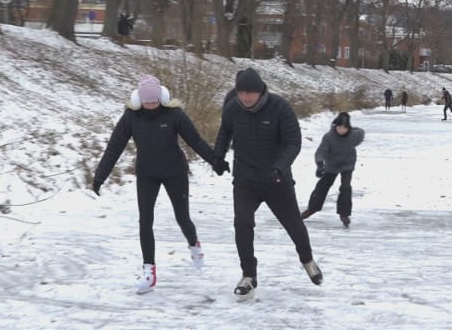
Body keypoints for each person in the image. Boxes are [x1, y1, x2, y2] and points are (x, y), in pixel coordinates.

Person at [92, 75, 217, 295]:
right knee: (145, 220)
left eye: (154, 101)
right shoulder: (131, 117)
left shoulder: (174, 114)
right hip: (147, 174)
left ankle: (194, 244)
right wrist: (100, 176)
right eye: (147, 102)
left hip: (175, 172)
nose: (151, 106)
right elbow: (114, 147)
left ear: (162, 98)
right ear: (139, 100)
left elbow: (195, 141)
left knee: (182, 217)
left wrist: (216, 161)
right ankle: (149, 271)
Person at [213, 67, 323, 301]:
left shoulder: (280, 107)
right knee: (242, 223)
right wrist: (218, 157)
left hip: (276, 180)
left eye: (249, 94)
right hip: (245, 179)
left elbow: (293, 142)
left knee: (294, 224)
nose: (245, 98)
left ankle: (307, 260)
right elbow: (224, 133)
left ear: (260, 91)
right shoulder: (233, 107)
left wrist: (279, 167)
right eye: (241, 93)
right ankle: (248, 276)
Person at [301, 112, 365, 227]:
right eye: (339, 127)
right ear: (335, 126)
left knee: (345, 187)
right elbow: (321, 151)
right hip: (332, 164)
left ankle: (344, 214)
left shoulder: (354, 136)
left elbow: (361, 132)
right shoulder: (329, 137)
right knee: (322, 186)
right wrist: (320, 165)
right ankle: (312, 209)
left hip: (347, 164)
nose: (341, 130)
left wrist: (351, 126)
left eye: (345, 128)